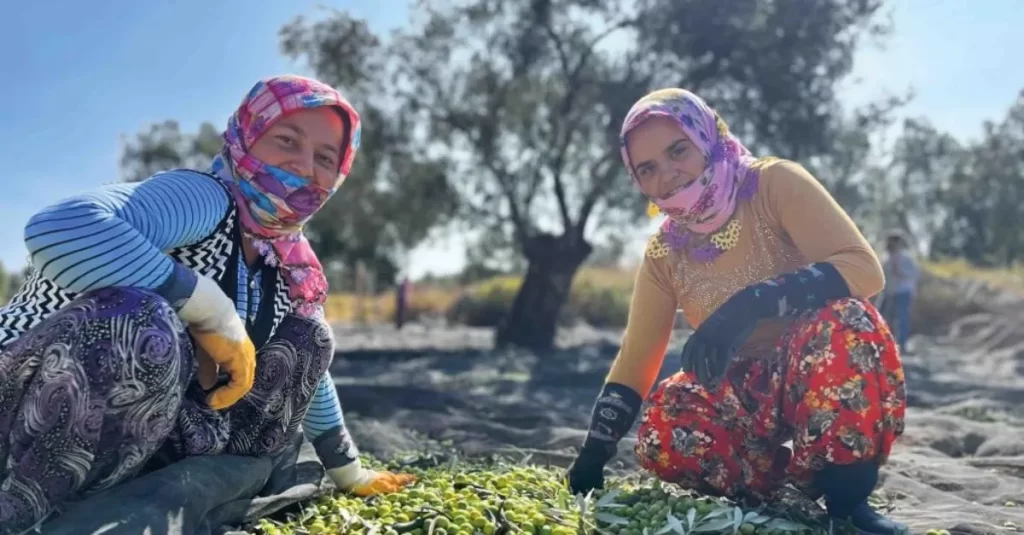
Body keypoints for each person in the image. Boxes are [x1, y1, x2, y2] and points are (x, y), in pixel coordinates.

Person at [0, 75, 415, 533]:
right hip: (21, 398)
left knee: (310, 337)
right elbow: (60, 228)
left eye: (324, 158)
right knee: (140, 322)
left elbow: (311, 376)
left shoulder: (288, 261)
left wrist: (349, 472)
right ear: (247, 137)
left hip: (125, 435)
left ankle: (128, 495)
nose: (303, 165)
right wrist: (209, 308)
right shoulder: (205, 198)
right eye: (286, 140)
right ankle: (21, 511)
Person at [565, 89, 908, 534]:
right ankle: (784, 491)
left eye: (678, 150)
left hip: (815, 370)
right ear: (637, 180)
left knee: (847, 322)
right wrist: (594, 455)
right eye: (647, 168)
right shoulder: (665, 253)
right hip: (742, 394)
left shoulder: (773, 185)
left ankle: (847, 502)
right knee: (666, 418)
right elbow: (637, 358)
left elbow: (864, 270)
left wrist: (753, 302)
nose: (667, 174)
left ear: (706, 136)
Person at [880, 232, 919, 354]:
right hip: (888, 291)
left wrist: (901, 272)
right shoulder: (885, 258)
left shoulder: (906, 258)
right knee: (882, 317)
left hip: (903, 291)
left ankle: (902, 345)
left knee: (902, 318)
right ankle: (883, 344)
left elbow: (915, 273)